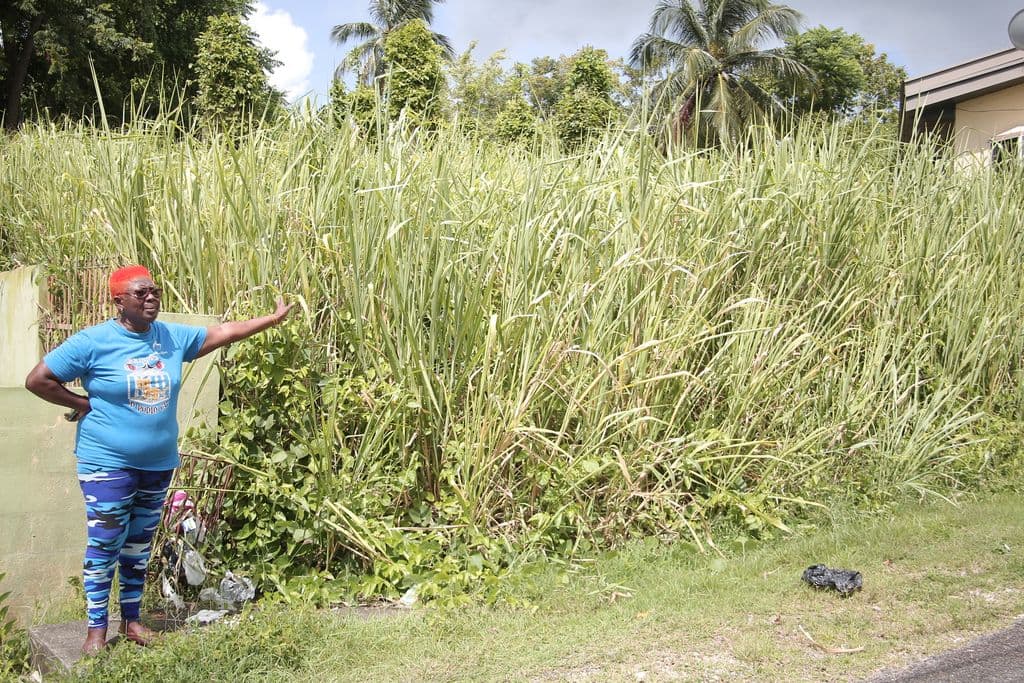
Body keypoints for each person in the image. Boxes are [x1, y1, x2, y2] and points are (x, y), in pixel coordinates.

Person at [24, 265, 294, 654]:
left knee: (138, 545)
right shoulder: (93, 341)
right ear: (118, 301)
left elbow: (223, 332)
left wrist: (270, 320)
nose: (150, 298)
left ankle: (132, 621)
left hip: (157, 464)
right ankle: (96, 631)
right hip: (107, 463)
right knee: (105, 545)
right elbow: (38, 379)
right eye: (141, 293)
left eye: (154, 291)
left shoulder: (169, 337)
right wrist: (82, 403)